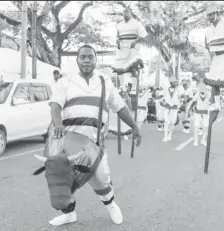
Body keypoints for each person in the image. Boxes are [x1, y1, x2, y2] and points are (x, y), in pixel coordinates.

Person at [48, 44, 142, 226]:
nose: (86, 60)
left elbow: (120, 107)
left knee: (100, 178)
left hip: (94, 144)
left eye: (90, 57)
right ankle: (69, 214)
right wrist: (58, 123)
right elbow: (55, 105)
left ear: (95, 60)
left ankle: (111, 205)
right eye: (83, 57)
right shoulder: (65, 81)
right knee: (65, 179)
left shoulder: (105, 81)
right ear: (77, 59)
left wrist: (135, 127)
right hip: (69, 142)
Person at [113, 7, 148, 91]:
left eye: (127, 12)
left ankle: (134, 88)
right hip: (122, 48)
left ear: (130, 13)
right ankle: (122, 86)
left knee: (133, 67)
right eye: (124, 12)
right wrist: (117, 41)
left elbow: (144, 36)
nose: (125, 13)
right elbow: (117, 36)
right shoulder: (119, 24)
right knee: (119, 68)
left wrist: (135, 41)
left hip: (132, 48)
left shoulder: (137, 23)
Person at [161, 77, 184, 142]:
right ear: (171, 83)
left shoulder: (178, 90)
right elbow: (162, 96)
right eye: (174, 82)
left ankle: (170, 134)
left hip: (174, 108)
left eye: (176, 82)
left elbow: (181, 96)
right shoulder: (166, 89)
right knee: (166, 121)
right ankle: (165, 136)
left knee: (172, 122)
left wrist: (182, 100)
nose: (176, 83)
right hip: (167, 107)